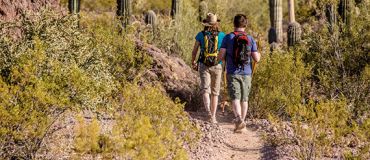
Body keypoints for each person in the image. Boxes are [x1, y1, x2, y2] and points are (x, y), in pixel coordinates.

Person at [218, 14, 261, 133]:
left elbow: (221, 55)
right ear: (245, 25)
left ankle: (239, 119)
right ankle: (242, 123)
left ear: (234, 24)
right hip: (247, 73)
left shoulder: (228, 37)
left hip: (232, 72)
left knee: (235, 98)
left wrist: (224, 59)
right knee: (244, 99)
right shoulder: (250, 39)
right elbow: (256, 59)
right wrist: (259, 55)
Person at [191, 13, 226, 123]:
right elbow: (224, 51)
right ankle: (213, 117)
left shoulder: (200, 35)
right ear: (216, 24)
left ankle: (208, 113)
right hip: (217, 65)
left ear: (205, 23)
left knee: (206, 90)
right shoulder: (222, 36)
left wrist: (193, 61)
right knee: (215, 93)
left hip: (203, 65)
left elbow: (195, 50)